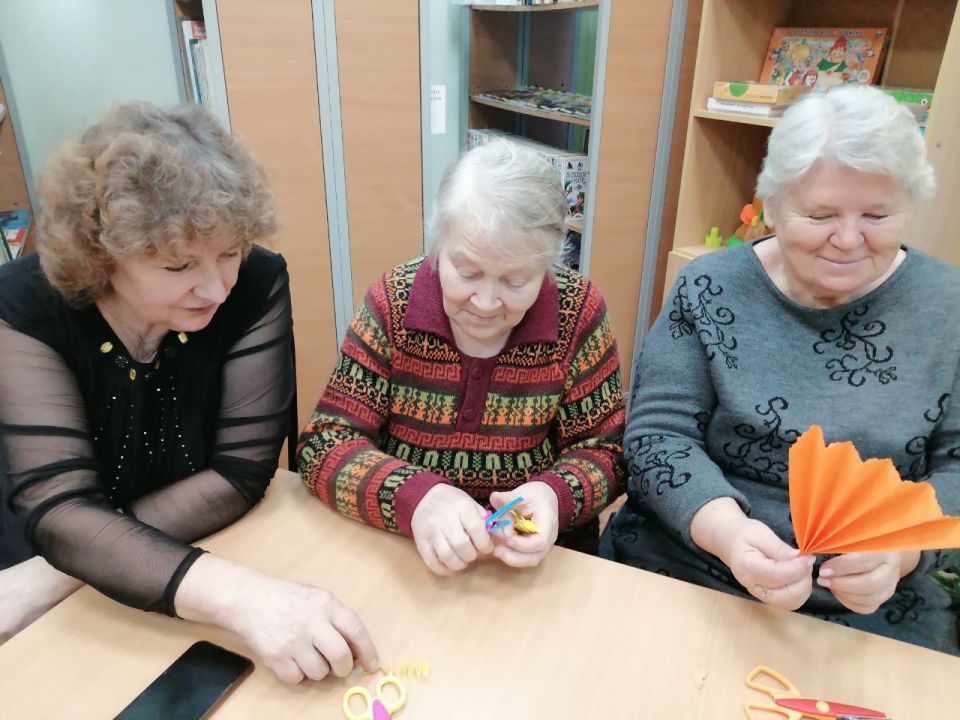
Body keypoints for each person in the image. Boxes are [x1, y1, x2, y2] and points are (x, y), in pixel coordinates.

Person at [0, 102, 378, 681]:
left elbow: (240, 472)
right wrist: (244, 598)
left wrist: (65, 569)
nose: (216, 288)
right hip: (38, 552)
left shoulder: (254, 282)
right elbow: (62, 509)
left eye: (228, 253)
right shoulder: (25, 307)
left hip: (168, 550)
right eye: (178, 267)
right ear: (101, 257)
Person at [601, 85, 960, 655]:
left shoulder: (949, 308)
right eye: (820, 215)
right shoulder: (710, 287)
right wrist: (729, 534)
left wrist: (901, 551)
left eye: (877, 215)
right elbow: (657, 438)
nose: (848, 239)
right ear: (770, 205)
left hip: (873, 601)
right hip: (692, 558)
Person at [298, 139, 625, 574]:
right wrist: (417, 498)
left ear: (549, 265)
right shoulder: (394, 301)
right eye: (467, 272)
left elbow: (606, 452)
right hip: (407, 555)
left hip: (531, 563)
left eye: (515, 281)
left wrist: (553, 496)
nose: (486, 302)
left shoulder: (577, 311)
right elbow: (324, 444)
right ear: (438, 247)